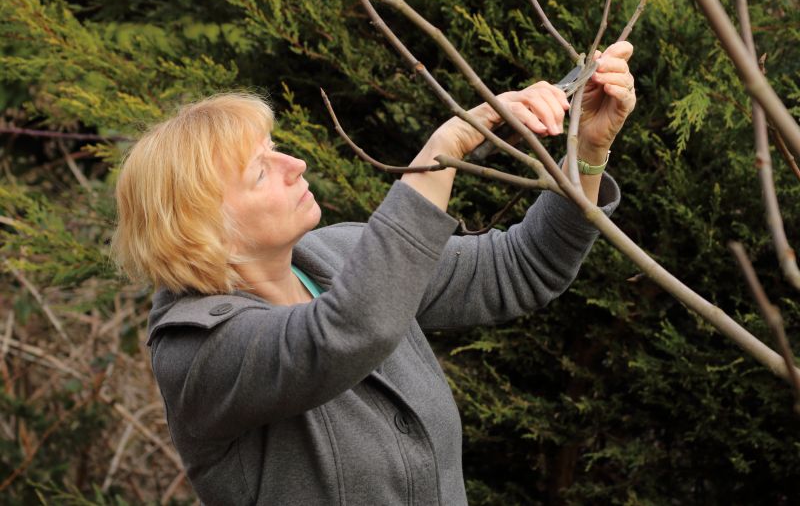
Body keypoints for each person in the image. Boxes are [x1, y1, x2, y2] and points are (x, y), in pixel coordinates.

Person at [112, 41, 635, 505]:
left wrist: (587, 150)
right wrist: (442, 150)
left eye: (274, 148)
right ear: (203, 228)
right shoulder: (197, 349)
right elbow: (351, 330)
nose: (295, 164)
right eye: (262, 171)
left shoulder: (340, 255)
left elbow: (523, 267)